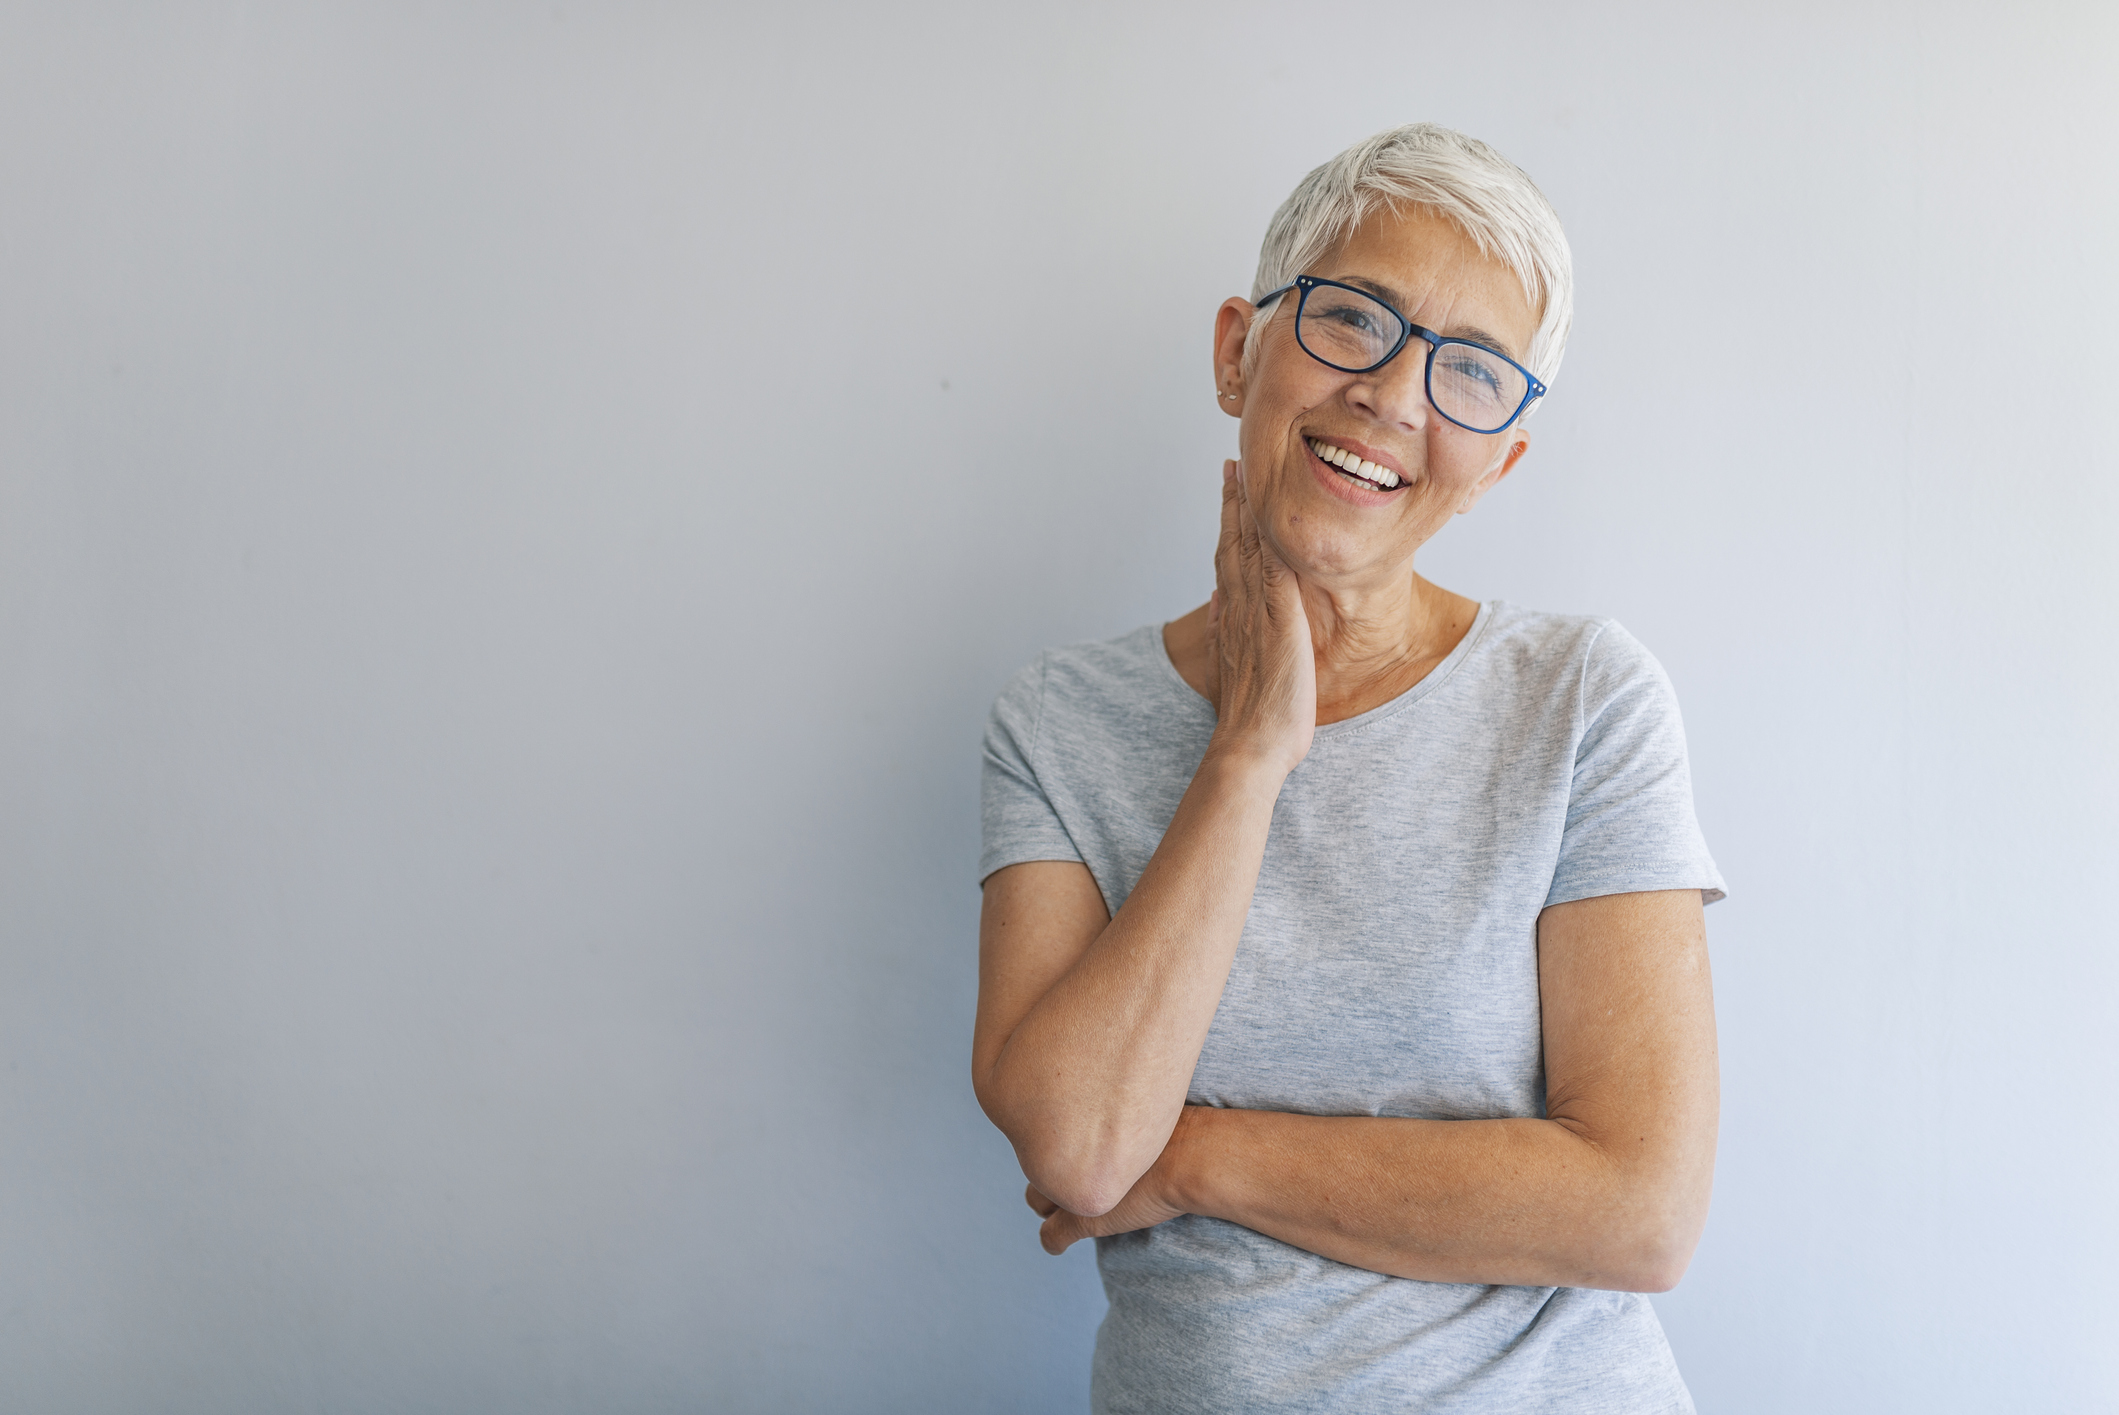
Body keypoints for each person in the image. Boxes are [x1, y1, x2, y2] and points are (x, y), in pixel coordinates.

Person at [973, 122, 1726, 1413]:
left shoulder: (1583, 699)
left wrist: (1199, 1156)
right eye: (1354, 319)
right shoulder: (1061, 721)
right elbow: (1086, 1147)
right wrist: (1253, 751)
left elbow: (1638, 1213)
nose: (1393, 394)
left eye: (1473, 373)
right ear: (1236, 349)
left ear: (1500, 461)